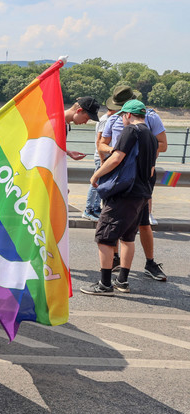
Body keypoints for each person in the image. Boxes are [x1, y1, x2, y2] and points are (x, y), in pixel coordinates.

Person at [82, 100, 158, 296]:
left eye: (122, 116)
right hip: (142, 193)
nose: (122, 120)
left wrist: (96, 174)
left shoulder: (130, 131)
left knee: (104, 237)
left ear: (128, 115)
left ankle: (105, 284)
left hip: (125, 193)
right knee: (128, 237)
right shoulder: (150, 135)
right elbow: (151, 169)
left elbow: (116, 158)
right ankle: (122, 281)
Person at [98, 87, 168, 282]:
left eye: (122, 111)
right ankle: (116, 264)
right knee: (122, 231)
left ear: (128, 112)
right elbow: (102, 144)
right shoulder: (114, 119)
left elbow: (162, 144)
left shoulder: (149, 119)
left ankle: (149, 263)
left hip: (136, 178)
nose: (119, 115)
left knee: (139, 224)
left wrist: (134, 155)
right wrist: (115, 149)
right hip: (121, 178)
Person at [82, 88, 134, 222]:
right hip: (104, 157)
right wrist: (103, 160)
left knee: (101, 183)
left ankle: (96, 208)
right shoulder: (107, 120)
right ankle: (89, 209)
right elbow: (100, 142)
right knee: (98, 183)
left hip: (106, 157)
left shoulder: (109, 118)